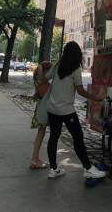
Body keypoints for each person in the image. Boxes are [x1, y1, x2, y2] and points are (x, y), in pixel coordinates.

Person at [46, 41, 106, 179]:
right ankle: (88, 168)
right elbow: (80, 91)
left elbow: (45, 78)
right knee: (78, 138)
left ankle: (53, 169)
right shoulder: (75, 69)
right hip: (66, 111)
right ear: (77, 54)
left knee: (53, 138)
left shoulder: (57, 66)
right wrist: (96, 98)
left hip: (52, 109)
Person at [30, 61, 52, 169]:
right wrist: (42, 68)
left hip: (40, 111)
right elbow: (39, 67)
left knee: (40, 134)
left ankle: (36, 159)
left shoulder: (39, 82)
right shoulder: (42, 83)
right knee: (40, 135)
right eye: (49, 71)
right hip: (42, 112)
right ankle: (34, 160)